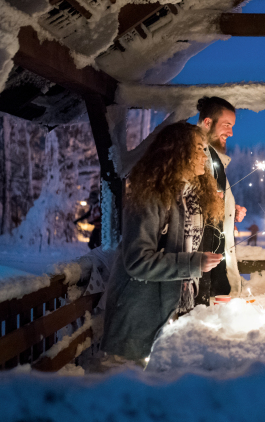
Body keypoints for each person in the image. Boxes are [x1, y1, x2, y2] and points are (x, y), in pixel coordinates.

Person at [101, 121, 224, 362]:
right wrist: (193, 263)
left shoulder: (190, 197)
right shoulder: (152, 195)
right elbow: (138, 262)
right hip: (139, 320)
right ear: (178, 151)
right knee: (131, 395)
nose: (204, 155)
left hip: (172, 312)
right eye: (198, 148)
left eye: (204, 148)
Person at [196, 97, 247, 301]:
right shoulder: (197, 157)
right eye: (227, 125)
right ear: (207, 123)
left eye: (232, 126)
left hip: (212, 266)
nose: (231, 133)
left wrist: (230, 210)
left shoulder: (214, 159)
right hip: (202, 271)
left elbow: (210, 204)